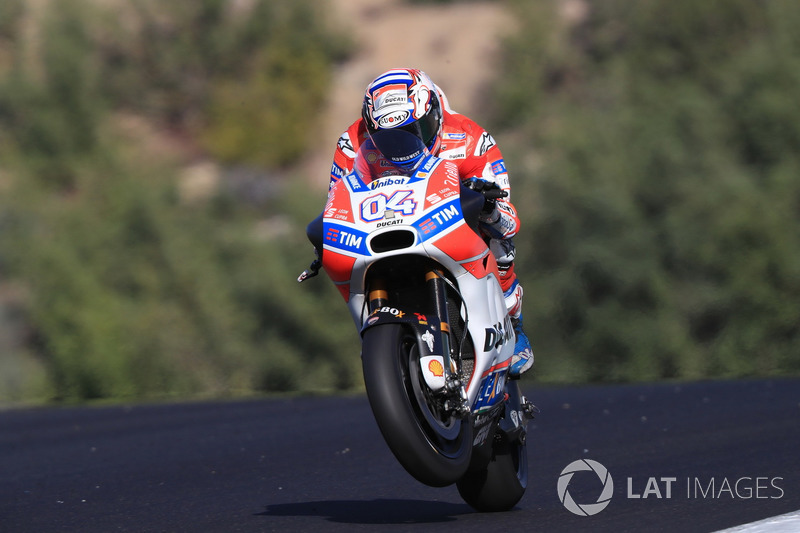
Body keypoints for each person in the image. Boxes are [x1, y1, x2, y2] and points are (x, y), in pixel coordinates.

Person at [328, 68, 533, 378]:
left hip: (448, 220)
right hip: (386, 223)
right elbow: (336, 199)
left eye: (416, 129)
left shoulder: (470, 138)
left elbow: (508, 218)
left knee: (499, 238)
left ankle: (512, 322)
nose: (404, 143)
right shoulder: (351, 143)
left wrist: (488, 205)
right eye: (389, 137)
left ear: (434, 113)